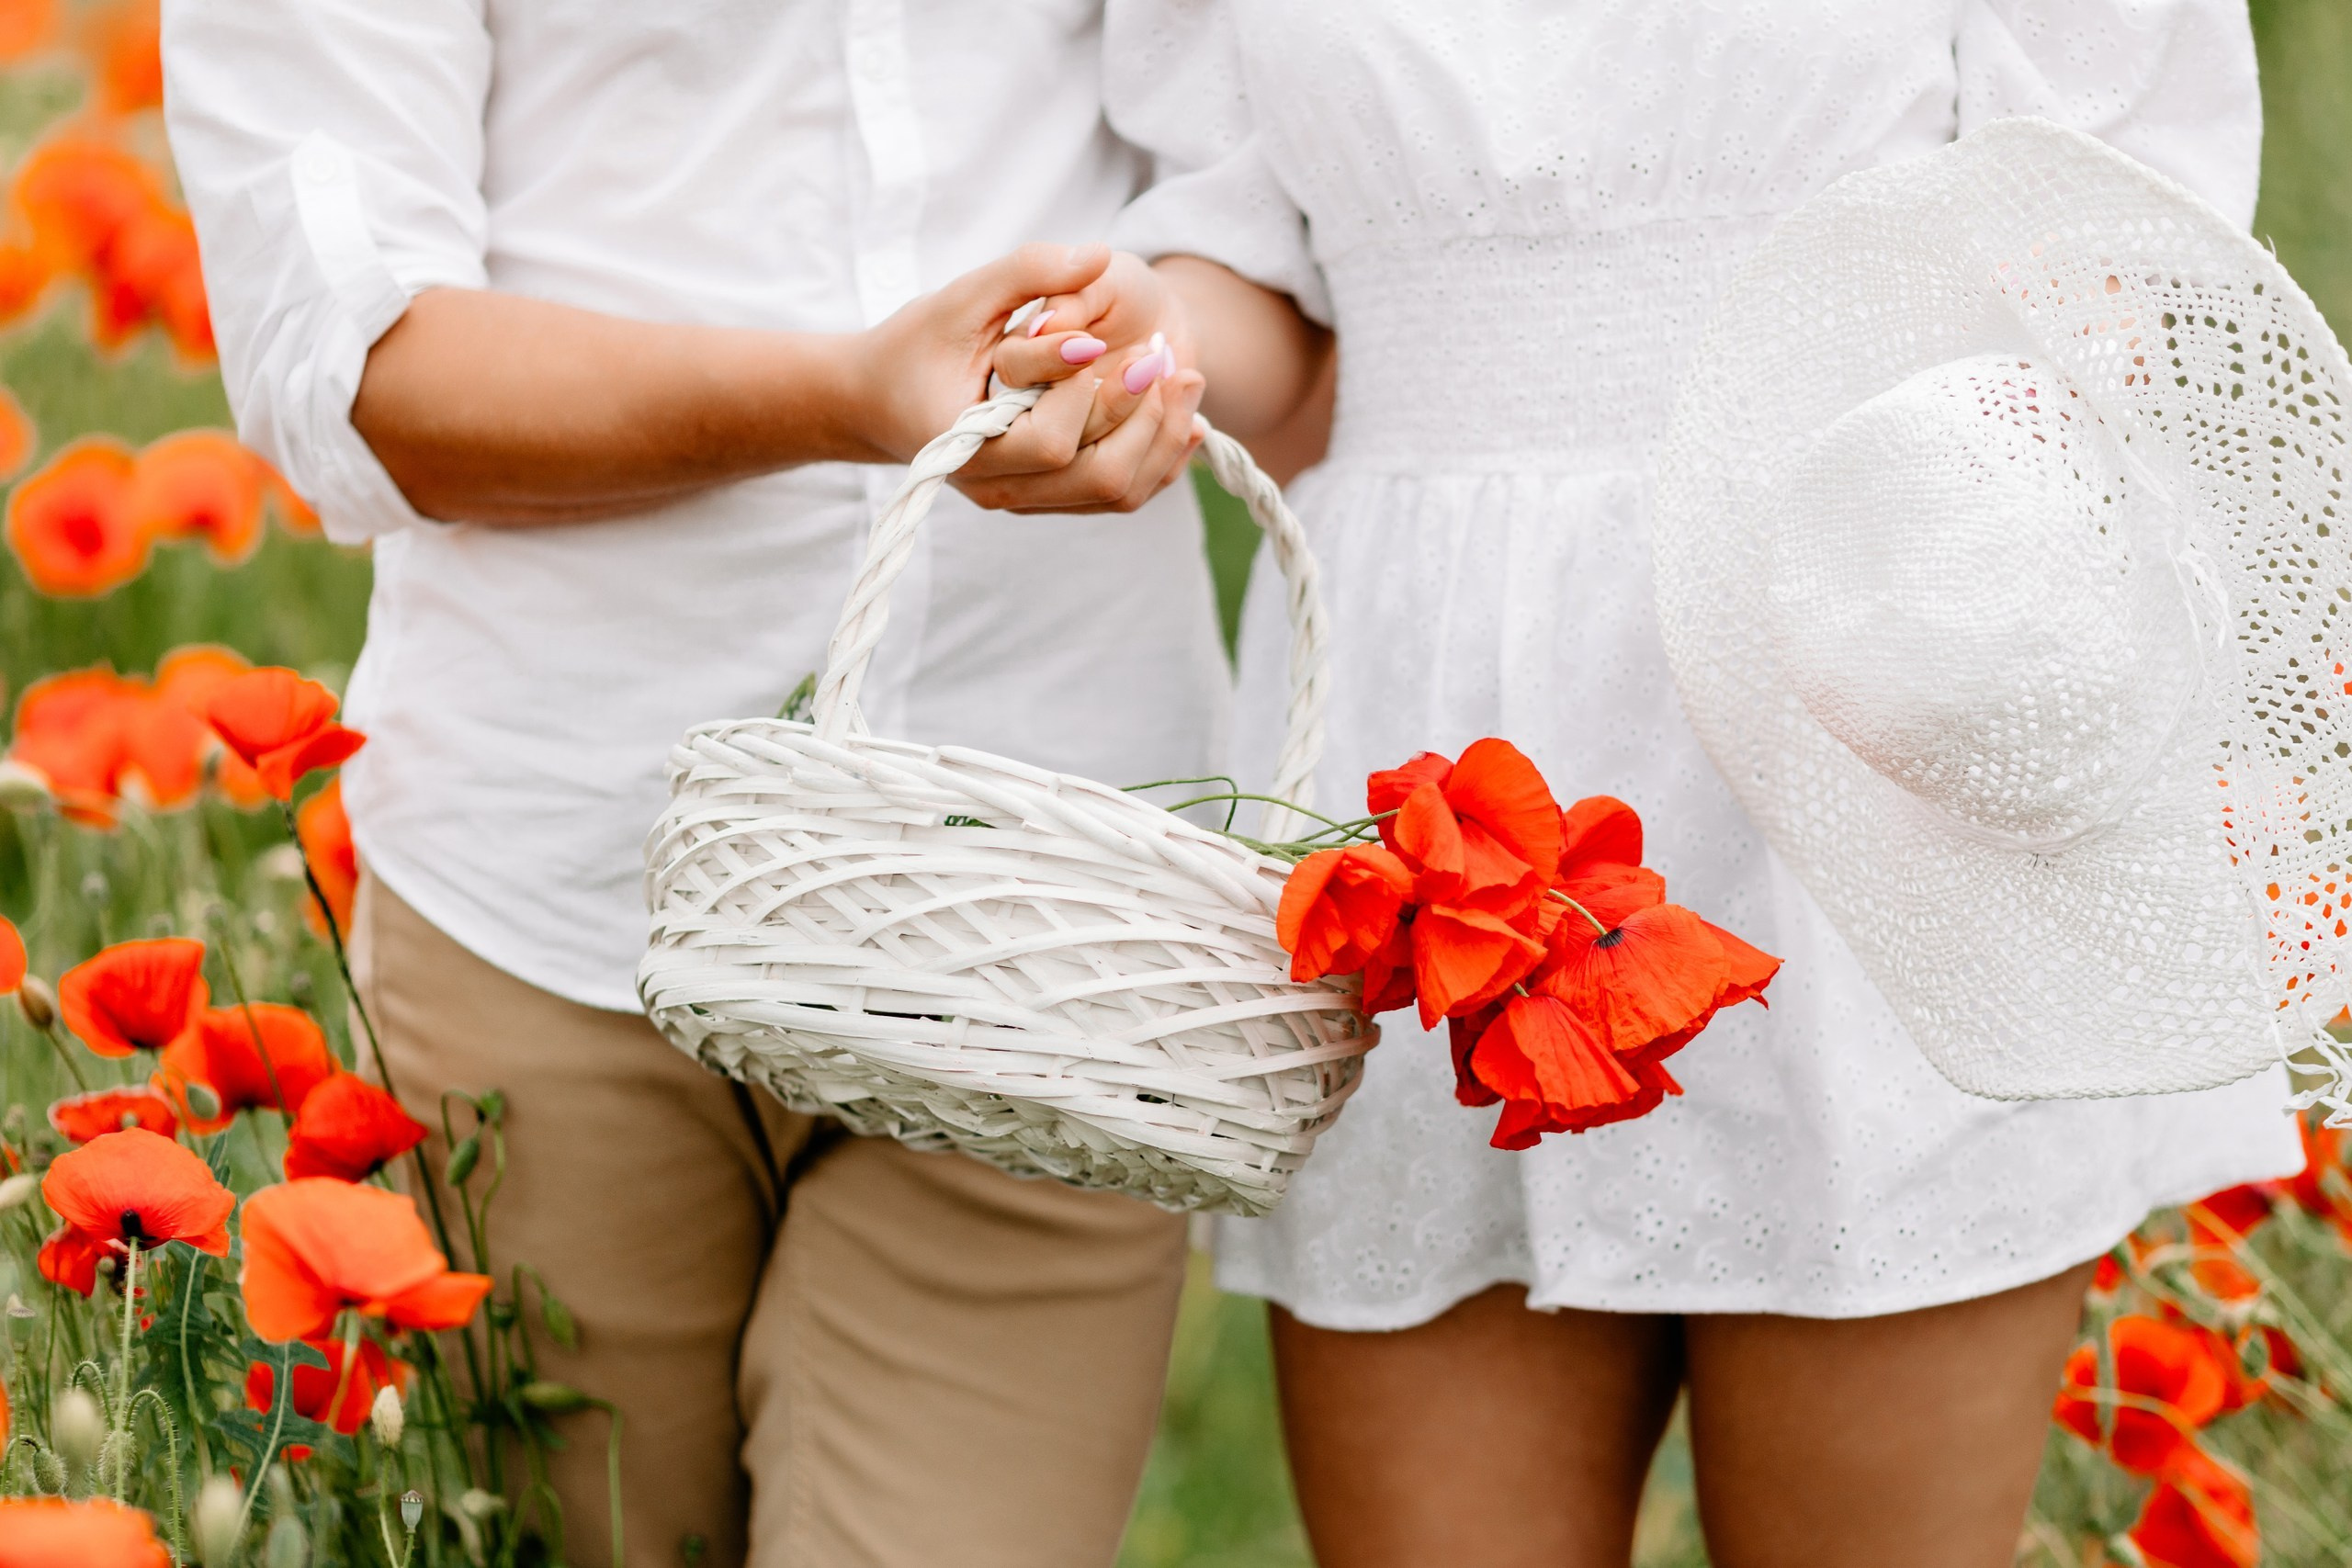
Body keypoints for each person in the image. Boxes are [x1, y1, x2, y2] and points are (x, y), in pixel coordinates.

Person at [996, 2, 2308, 1562]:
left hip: (1879, 729)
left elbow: (2133, 248)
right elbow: (1269, 289)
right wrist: (1156, 333)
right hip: (1431, 761)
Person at [158, 5, 1216, 1564]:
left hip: (1038, 907)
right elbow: (355, 360)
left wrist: (1144, 341)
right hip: (566, 892)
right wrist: (850, 397)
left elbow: (1259, 212)